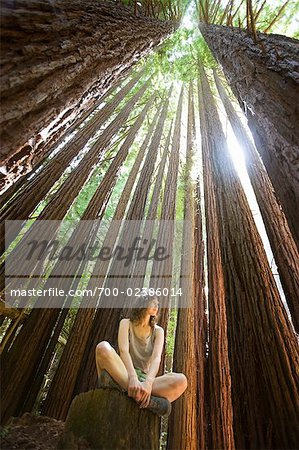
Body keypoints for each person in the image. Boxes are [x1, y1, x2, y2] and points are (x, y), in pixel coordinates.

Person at [95, 294, 188, 417]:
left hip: (144, 381)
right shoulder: (126, 323)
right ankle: (145, 399)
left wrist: (148, 383)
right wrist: (132, 377)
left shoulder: (158, 331)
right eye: (153, 302)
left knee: (181, 380)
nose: (157, 306)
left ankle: (133, 392)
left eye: (157, 304)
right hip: (124, 373)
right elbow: (123, 351)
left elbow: (156, 359)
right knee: (102, 347)